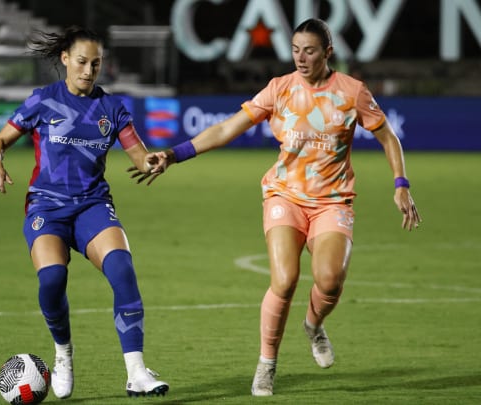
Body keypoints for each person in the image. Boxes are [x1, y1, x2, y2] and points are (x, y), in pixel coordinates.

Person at [135, 18, 421, 396]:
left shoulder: (352, 92)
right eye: (295, 50)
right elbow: (226, 128)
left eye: (310, 50)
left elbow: (387, 137)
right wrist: (174, 154)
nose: (301, 58)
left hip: (332, 200)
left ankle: (314, 325)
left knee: (330, 280)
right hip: (284, 196)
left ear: (328, 52)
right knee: (284, 280)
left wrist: (401, 184)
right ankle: (266, 364)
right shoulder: (279, 89)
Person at [0, 26, 169, 399]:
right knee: (52, 280)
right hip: (47, 206)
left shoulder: (111, 108)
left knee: (122, 268)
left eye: (96, 63)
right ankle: (63, 354)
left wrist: (152, 161)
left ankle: (136, 372)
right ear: (65, 59)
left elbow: (138, 152)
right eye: (82, 61)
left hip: (92, 205)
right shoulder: (42, 100)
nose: (89, 70)